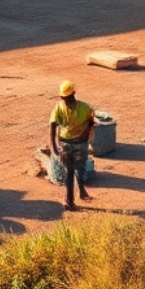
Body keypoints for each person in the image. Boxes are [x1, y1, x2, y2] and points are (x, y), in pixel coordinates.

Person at [49, 80, 95, 211]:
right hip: (76, 144)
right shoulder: (86, 108)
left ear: (62, 96)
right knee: (74, 170)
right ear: (74, 93)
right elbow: (92, 124)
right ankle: (69, 200)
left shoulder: (59, 107)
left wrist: (54, 148)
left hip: (69, 144)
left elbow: (52, 128)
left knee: (75, 171)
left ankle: (78, 193)